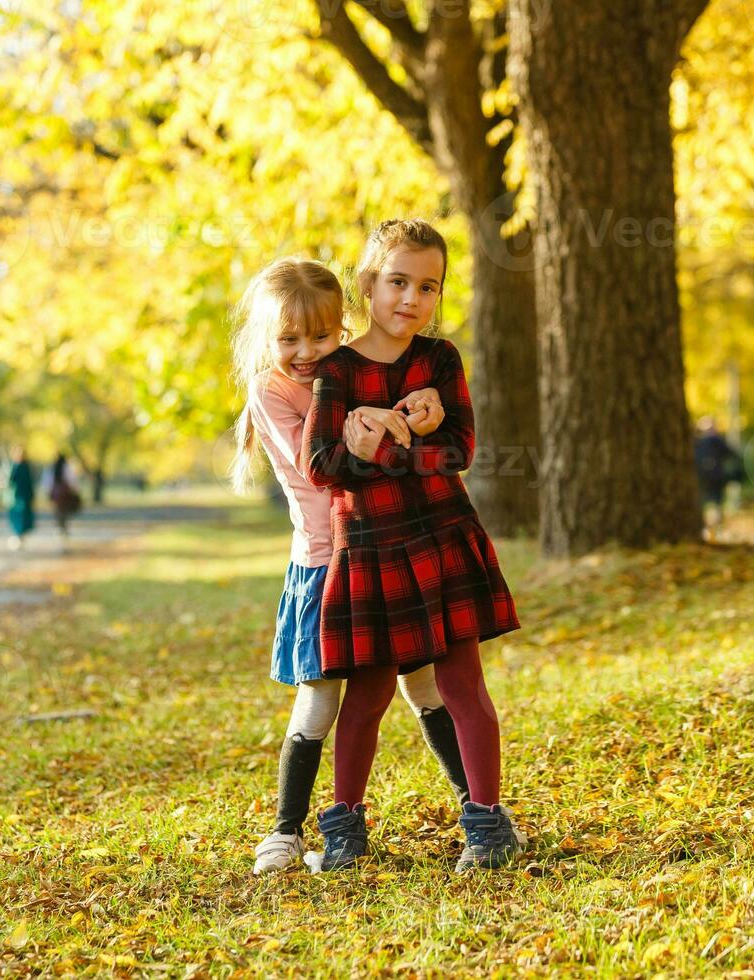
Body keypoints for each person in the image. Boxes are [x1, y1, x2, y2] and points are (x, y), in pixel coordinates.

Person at [228, 256, 472, 876]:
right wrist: (364, 412)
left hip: (384, 552)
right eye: (288, 339)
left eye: (322, 336)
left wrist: (411, 410)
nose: (307, 352)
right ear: (266, 340)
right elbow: (322, 466)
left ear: (344, 326)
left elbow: (405, 446)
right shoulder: (273, 391)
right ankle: (286, 832)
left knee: (423, 686)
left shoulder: (353, 372)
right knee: (320, 700)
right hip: (324, 563)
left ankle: (478, 809)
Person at [302, 219, 523, 872]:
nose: (411, 299)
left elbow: (459, 451)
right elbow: (321, 464)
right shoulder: (336, 369)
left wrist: (400, 441)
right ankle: (345, 827)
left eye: (428, 287)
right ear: (369, 284)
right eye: (398, 282)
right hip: (369, 549)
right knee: (366, 696)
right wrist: (366, 448)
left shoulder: (440, 360)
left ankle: (486, 825)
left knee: (463, 686)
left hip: (440, 538)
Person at [694, 416, 743, 533]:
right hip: (715, 476)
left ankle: (707, 526)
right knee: (716, 501)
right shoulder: (716, 440)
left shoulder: (696, 442)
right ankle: (716, 527)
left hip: (701, 478)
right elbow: (733, 454)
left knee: (704, 501)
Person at [44, 453, 83, 541]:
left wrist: (49, 492)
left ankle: (61, 527)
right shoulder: (66, 468)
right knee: (63, 512)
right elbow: (72, 480)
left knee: (58, 511)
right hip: (65, 494)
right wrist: (75, 490)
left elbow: (47, 482)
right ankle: (63, 527)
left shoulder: (51, 468)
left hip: (55, 494)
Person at [4, 446, 36, 551]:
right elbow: (10, 481)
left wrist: (32, 495)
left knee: (23, 517)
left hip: (24, 496)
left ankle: (20, 536)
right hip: (16, 497)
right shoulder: (14, 466)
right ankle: (18, 536)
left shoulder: (25, 467)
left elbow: (29, 483)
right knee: (17, 517)